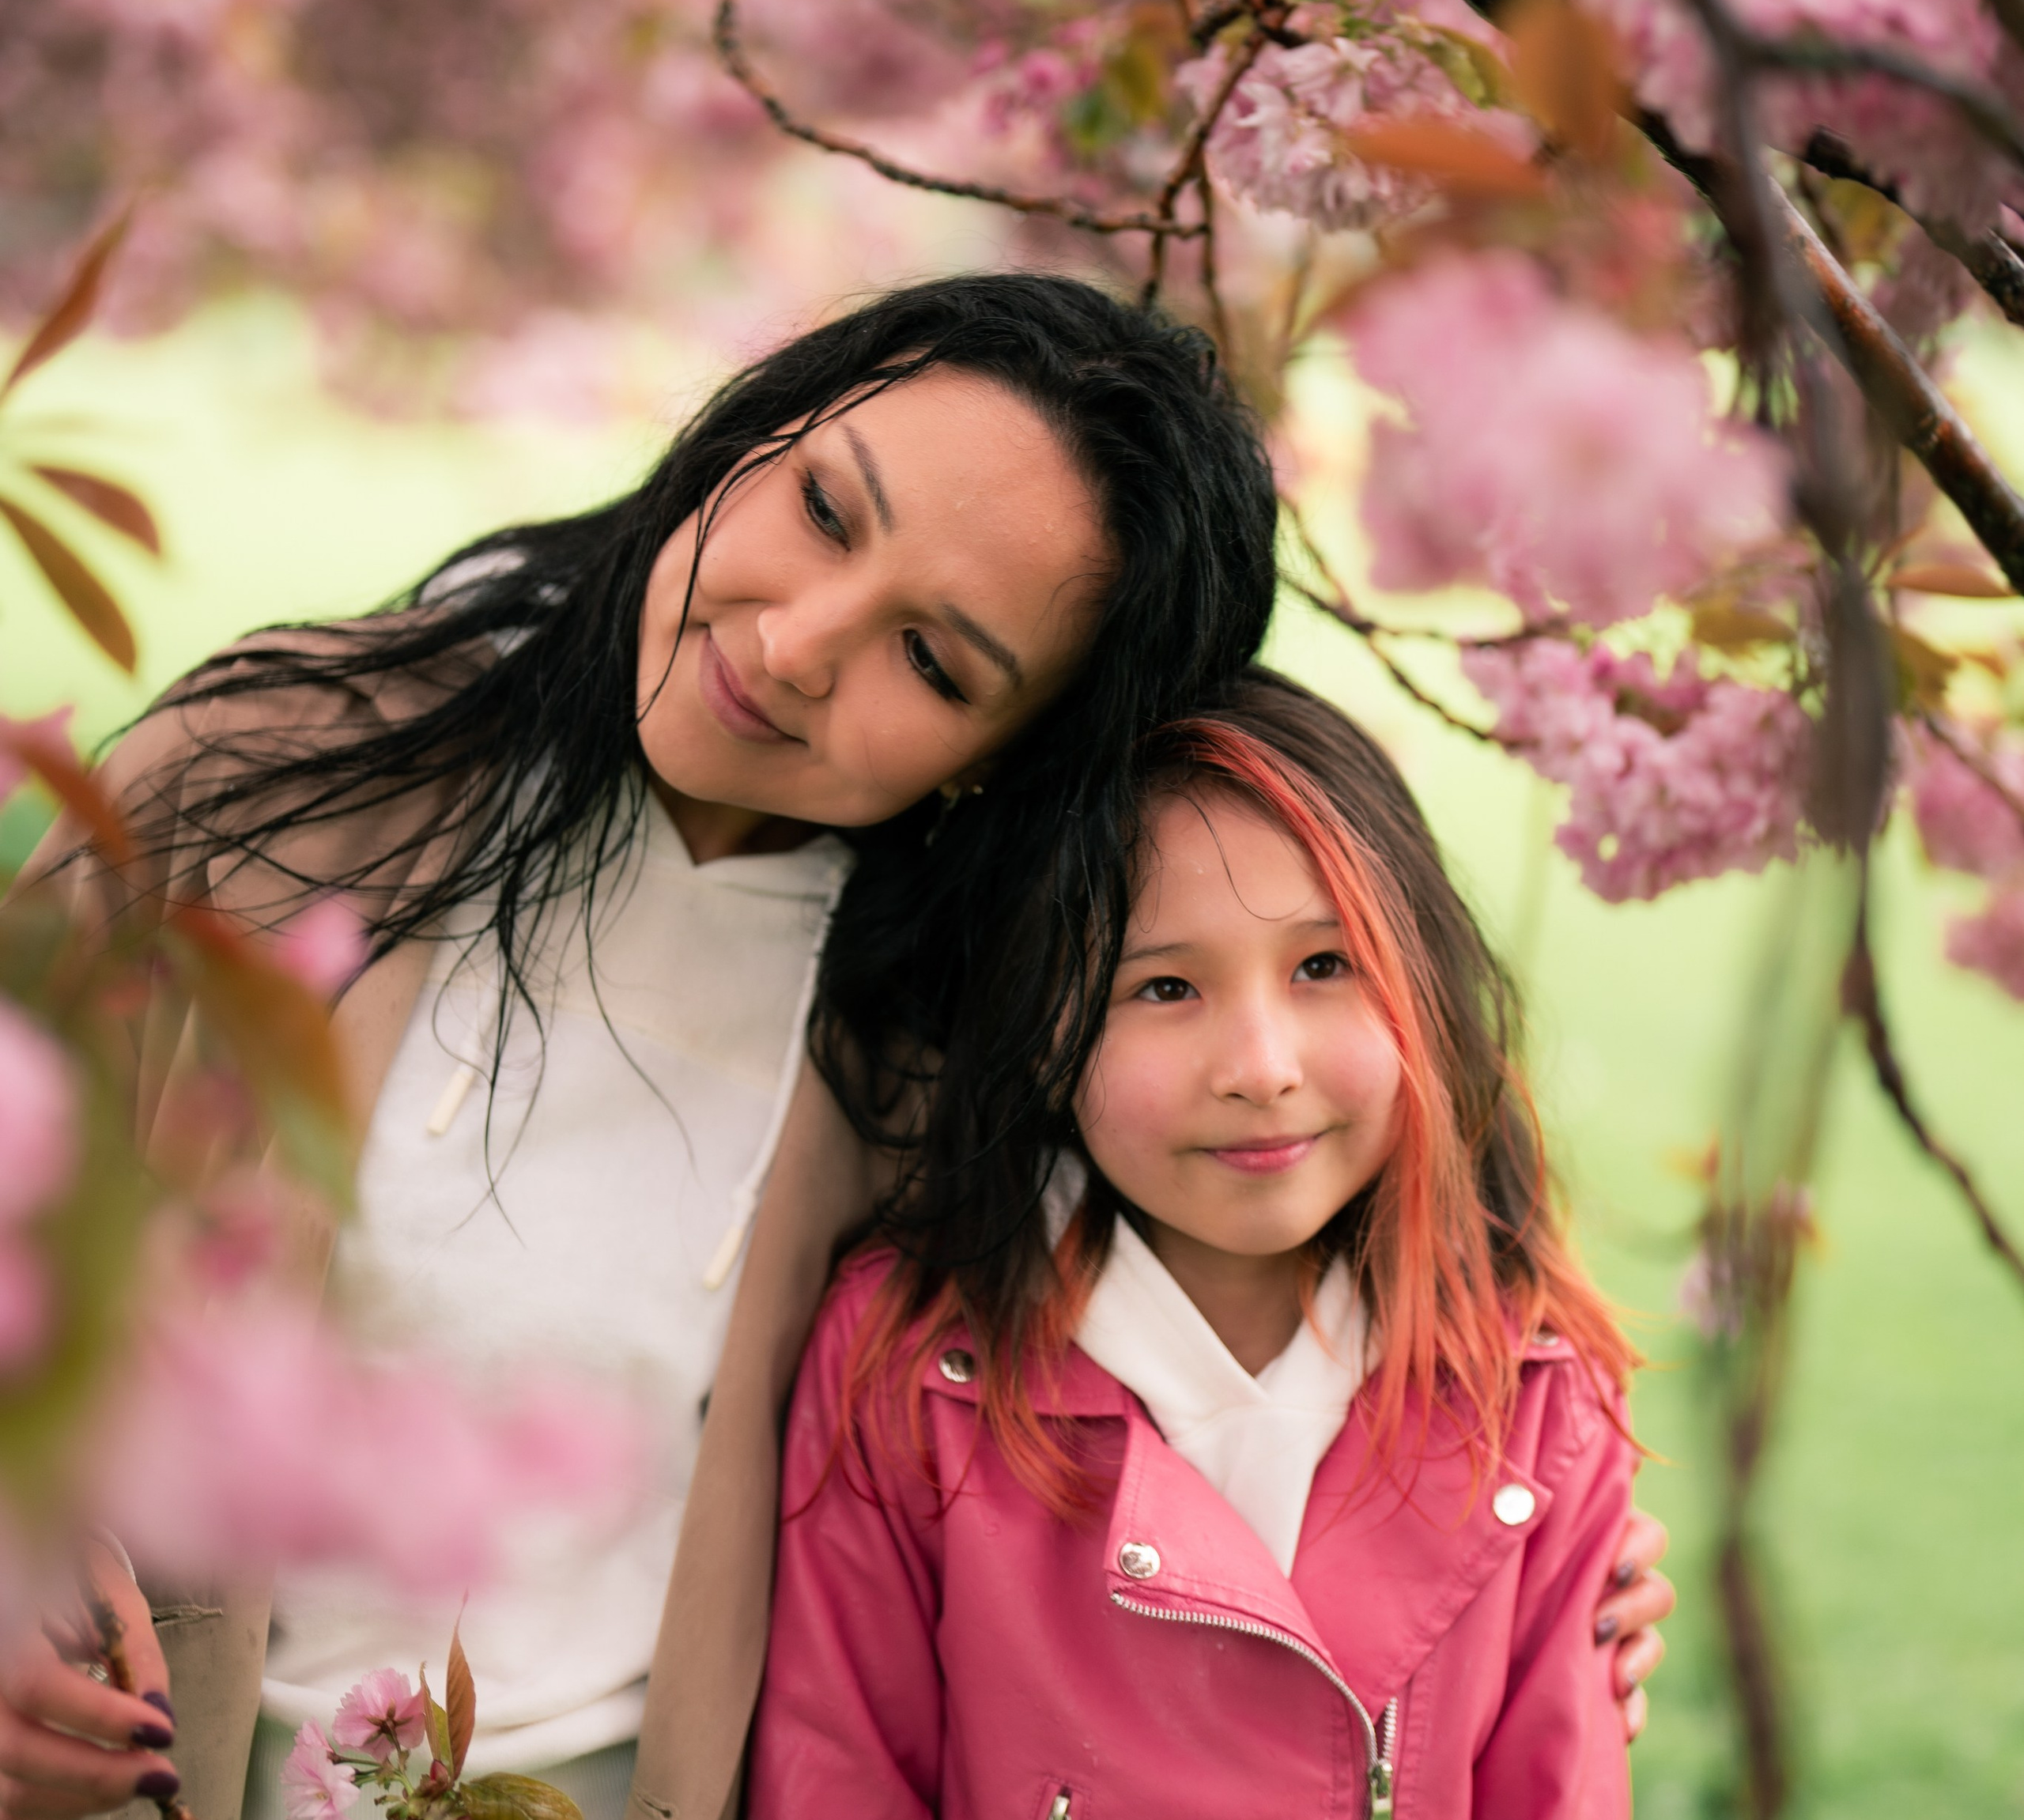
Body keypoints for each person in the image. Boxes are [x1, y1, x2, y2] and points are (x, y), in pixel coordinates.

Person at [0, 278, 1667, 1820]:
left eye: (932, 661)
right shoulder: (265, 785)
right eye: (820, 508)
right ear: (761, 425)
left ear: (1002, 760)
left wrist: (1534, 1535)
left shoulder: (953, 1040)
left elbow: (1223, 1328)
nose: (795, 642)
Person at [752, 668, 1641, 1818]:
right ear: (1041, 1036)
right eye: (1165, 986)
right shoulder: (909, 1374)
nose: (1262, 1066)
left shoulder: (1536, 1405)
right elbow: (841, 1778)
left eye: (1325, 966)